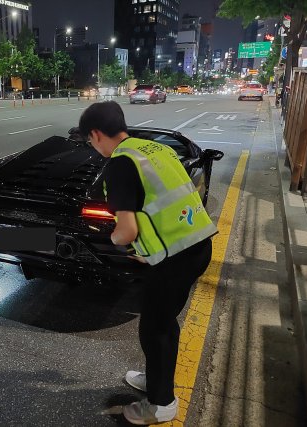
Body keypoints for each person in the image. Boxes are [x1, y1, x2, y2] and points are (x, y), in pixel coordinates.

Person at [79, 101, 215, 425]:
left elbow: (126, 231)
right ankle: (157, 380)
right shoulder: (153, 149)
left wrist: (111, 239)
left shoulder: (120, 164)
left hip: (174, 259)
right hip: (197, 245)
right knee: (163, 323)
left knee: (155, 329)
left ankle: (161, 403)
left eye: (89, 140)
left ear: (96, 134)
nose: (92, 147)